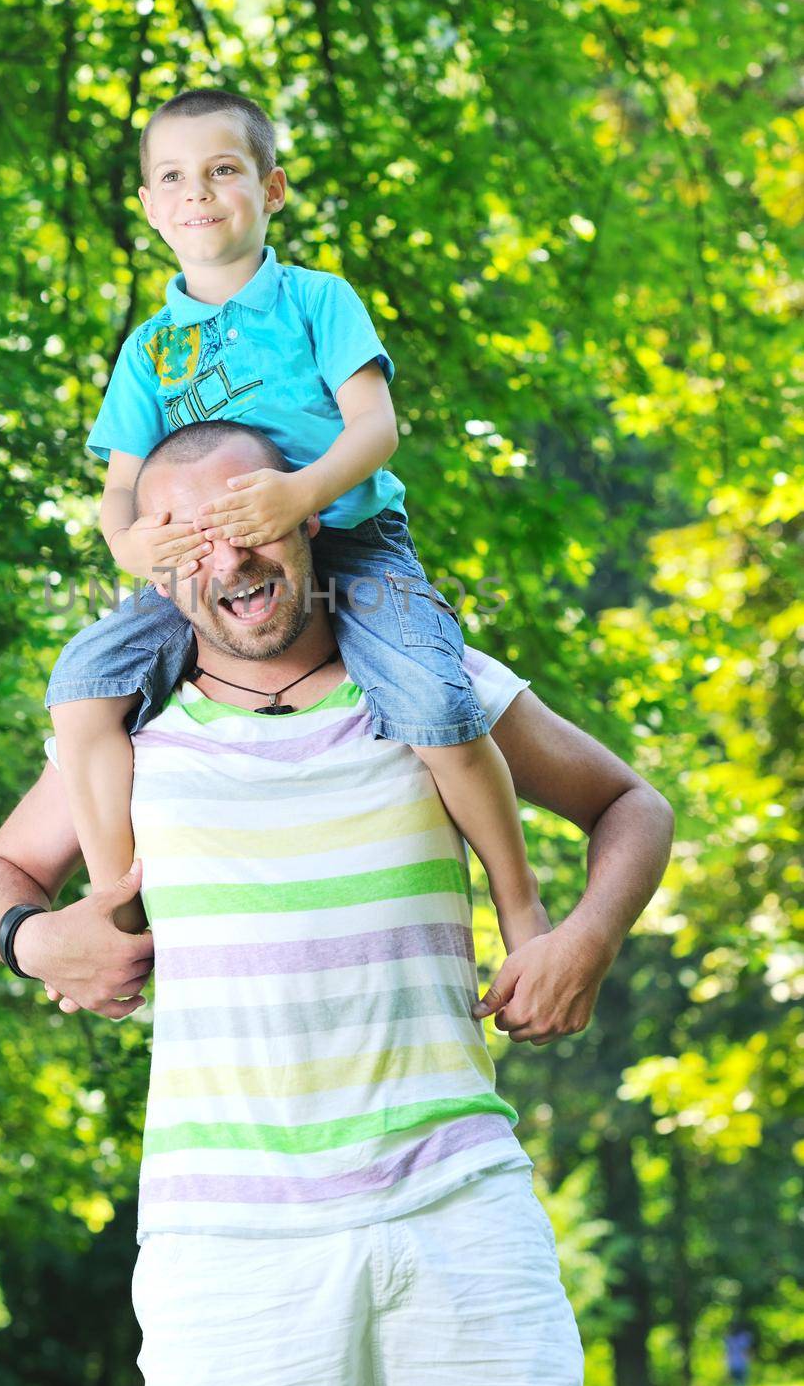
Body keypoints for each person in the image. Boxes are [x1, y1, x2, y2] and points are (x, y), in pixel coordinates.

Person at [0, 424, 675, 1386]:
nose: (230, 556)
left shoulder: (432, 688)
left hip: (457, 1208)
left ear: (306, 516)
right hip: (226, 1246)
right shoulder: (128, 730)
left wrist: (582, 940)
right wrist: (34, 938)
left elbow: (632, 805)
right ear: (158, 568)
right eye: (189, 536)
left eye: (247, 515)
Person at [44, 85, 550, 957]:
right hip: (214, 562)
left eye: (223, 170)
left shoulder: (317, 301)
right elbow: (120, 487)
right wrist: (133, 545)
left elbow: (376, 429)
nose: (197, 193)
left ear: (270, 189)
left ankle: (519, 909)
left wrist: (302, 493)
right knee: (82, 688)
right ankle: (121, 910)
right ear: (150, 207)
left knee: (436, 700)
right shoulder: (149, 349)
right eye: (173, 176)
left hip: (351, 545)